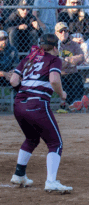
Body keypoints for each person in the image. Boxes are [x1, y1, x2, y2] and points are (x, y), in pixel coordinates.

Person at [9, 33, 73, 192]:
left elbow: (13, 81)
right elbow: (54, 80)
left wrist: (26, 92)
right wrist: (61, 94)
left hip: (19, 104)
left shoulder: (29, 58)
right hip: (37, 104)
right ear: (54, 47)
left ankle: (19, 174)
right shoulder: (54, 59)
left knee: (31, 139)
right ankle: (51, 181)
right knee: (55, 143)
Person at [54, 22, 89, 113]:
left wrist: (66, 60)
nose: (63, 33)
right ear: (56, 33)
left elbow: (81, 57)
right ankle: (75, 104)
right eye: (61, 31)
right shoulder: (54, 45)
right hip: (60, 74)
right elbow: (57, 63)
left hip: (73, 72)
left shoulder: (74, 44)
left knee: (77, 81)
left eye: (65, 31)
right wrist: (72, 61)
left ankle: (76, 103)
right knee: (66, 85)